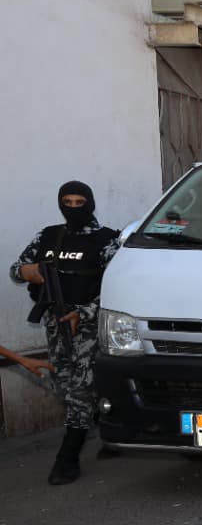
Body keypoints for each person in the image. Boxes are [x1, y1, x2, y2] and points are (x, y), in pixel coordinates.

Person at [10, 181, 121, 485]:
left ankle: (67, 459)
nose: (73, 208)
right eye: (67, 202)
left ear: (90, 203)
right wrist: (26, 272)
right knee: (64, 384)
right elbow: (17, 269)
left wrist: (84, 313)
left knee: (80, 389)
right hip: (56, 323)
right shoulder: (48, 236)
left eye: (79, 202)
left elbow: (118, 286)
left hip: (89, 324)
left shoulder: (107, 240)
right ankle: (111, 426)